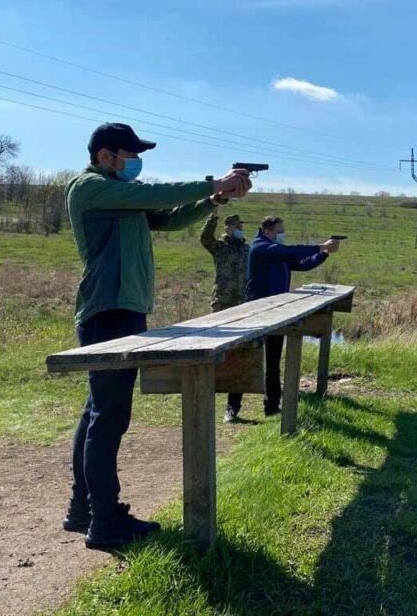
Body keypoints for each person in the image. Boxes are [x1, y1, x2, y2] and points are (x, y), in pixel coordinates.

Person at [63, 122, 251, 550]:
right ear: (106, 155)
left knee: (99, 411)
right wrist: (212, 181)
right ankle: (105, 521)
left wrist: (215, 198)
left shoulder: (119, 194)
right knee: (108, 417)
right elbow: (152, 196)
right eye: (130, 155)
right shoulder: (90, 187)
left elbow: (166, 218)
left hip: (122, 309)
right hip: (108, 311)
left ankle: (84, 509)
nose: (136, 163)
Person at [224, 216, 339, 422]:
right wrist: (320, 245)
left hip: (277, 313)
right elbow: (289, 252)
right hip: (255, 313)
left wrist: (323, 254)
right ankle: (232, 409)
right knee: (245, 358)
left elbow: (302, 264)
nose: (282, 235)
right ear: (267, 231)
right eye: (279, 231)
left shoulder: (276, 250)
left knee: (274, 361)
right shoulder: (261, 248)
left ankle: (272, 407)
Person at [200, 211, 249, 312]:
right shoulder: (220, 246)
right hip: (223, 300)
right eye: (237, 227)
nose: (240, 229)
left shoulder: (245, 248)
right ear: (228, 228)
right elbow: (206, 237)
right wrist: (212, 220)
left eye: (241, 227)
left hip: (242, 299)